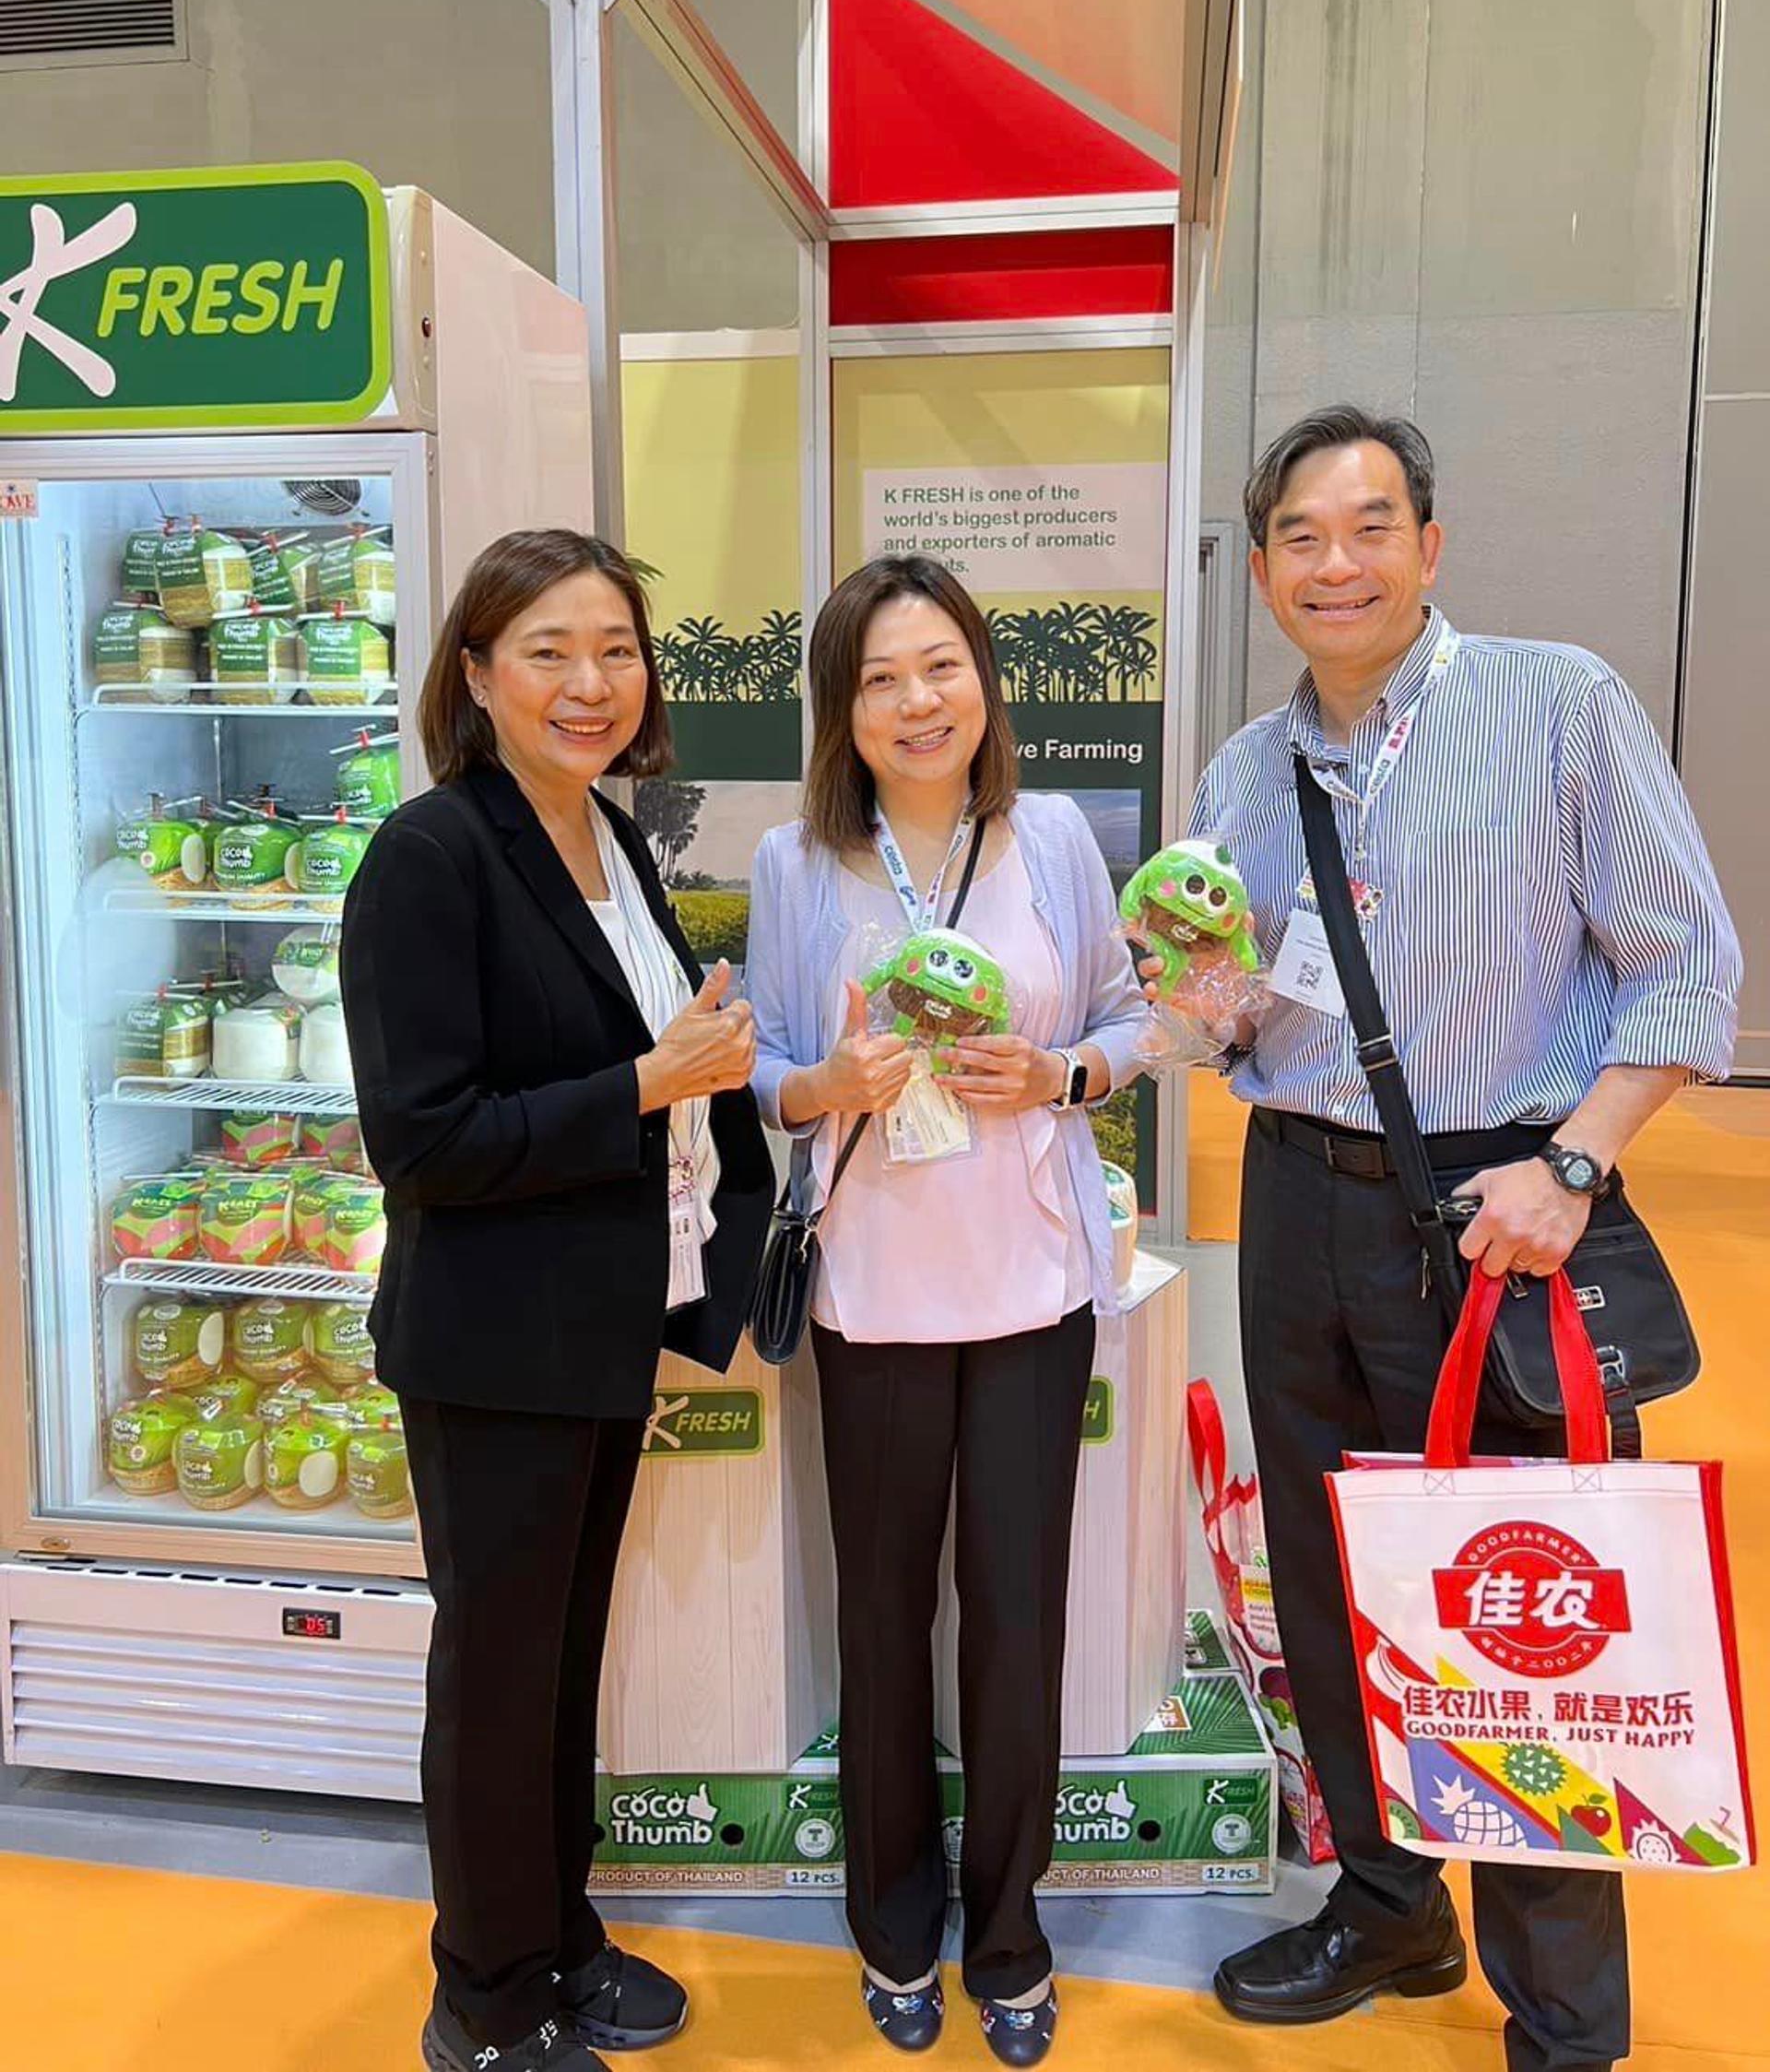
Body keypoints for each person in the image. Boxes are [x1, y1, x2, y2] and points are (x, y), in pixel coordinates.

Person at [1174, 408, 1741, 2072]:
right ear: (1265, 564)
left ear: (1431, 544)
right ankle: (1388, 1900)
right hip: (1295, 1199)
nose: (1333, 562)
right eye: (1299, 534)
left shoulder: (1558, 704)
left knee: (1530, 1592)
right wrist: (1180, 984)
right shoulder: (1245, 768)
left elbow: (1687, 969)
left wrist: (1575, 1162)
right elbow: (1231, 1016)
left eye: (1370, 527)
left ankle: (1565, 2022)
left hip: (1509, 1205)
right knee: (1334, 1569)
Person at [339, 528, 773, 2072]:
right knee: (499, 1673)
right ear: (474, 672)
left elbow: (623, 1065)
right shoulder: (430, 854)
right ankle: (485, 1993)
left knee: (564, 1660)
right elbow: (428, 1140)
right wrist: (649, 1076)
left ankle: (560, 1932)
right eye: (548, 650)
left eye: (616, 649)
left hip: (596, 1328)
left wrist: (693, 1051)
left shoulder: (609, 836)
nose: (591, 683)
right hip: (492, 1345)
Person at [746, 554, 1147, 2066]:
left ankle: (1011, 1928)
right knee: (884, 1610)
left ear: (986, 681)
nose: (920, 704)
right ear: (841, 711)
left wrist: (1065, 1075)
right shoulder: (798, 864)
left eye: (944, 669)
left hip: (1036, 1282)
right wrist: (820, 1085)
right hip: (874, 1287)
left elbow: (1123, 1016)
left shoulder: (1049, 833)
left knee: (1017, 1613)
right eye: (882, 679)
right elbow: (771, 1069)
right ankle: (891, 1924)